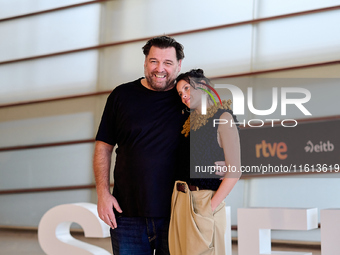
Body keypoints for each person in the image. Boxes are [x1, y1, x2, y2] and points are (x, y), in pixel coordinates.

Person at [93, 36, 187, 255]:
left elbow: (216, 130)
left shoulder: (186, 99)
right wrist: (103, 194)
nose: (160, 69)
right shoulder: (121, 95)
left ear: (179, 65)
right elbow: (103, 147)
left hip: (176, 213)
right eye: (154, 61)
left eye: (168, 63)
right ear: (145, 62)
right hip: (127, 215)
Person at [168, 69, 242, 255]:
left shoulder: (223, 118)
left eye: (186, 88)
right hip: (180, 200)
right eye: (180, 93)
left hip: (204, 201)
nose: (183, 95)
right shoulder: (186, 123)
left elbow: (235, 171)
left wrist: (209, 208)